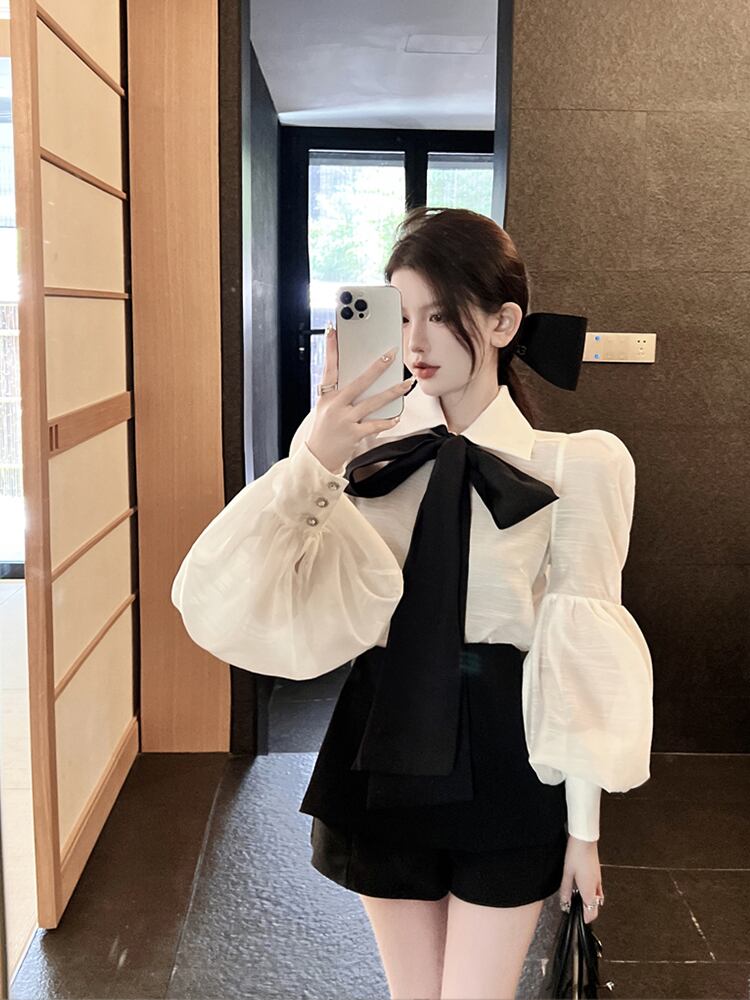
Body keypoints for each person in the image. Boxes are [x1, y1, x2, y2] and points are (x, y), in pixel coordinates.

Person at [171, 207, 654, 1000]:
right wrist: (314, 458)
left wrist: (584, 833)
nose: (416, 340)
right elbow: (229, 591)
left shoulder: (577, 466)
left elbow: (579, 661)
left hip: (507, 749)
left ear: (502, 323)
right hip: (383, 737)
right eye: (401, 315)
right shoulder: (360, 456)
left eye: (440, 314)